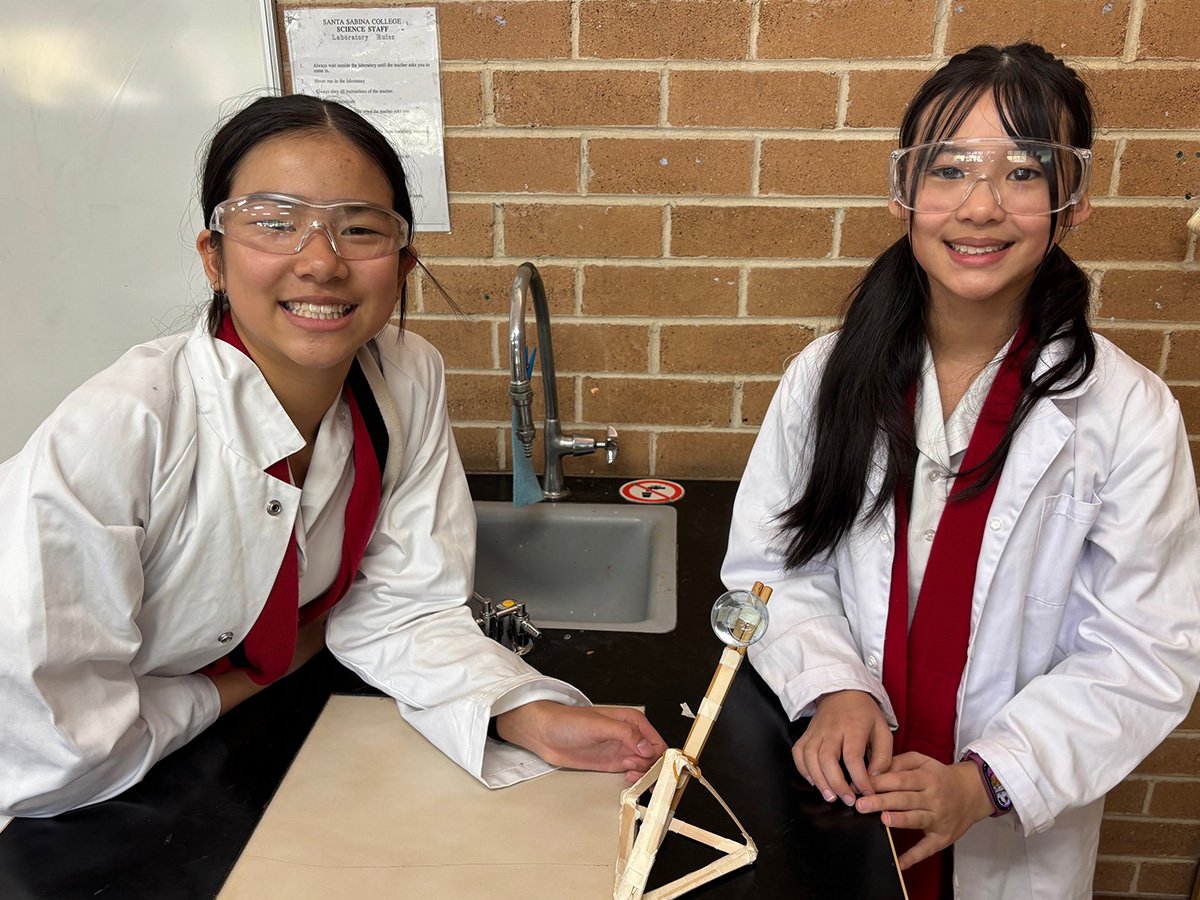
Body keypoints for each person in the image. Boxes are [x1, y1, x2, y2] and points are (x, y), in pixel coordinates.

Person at [0, 94, 665, 818]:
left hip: (222, 762)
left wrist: (516, 708)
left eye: (358, 228)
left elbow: (405, 608)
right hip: (78, 809)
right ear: (213, 258)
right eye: (275, 223)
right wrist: (241, 683)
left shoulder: (406, 378)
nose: (320, 261)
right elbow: (51, 751)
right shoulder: (118, 431)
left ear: (403, 264)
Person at [721, 43, 1200, 899]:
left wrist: (986, 781)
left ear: (1073, 201)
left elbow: (1144, 650)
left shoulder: (1127, 413)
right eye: (947, 170)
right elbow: (770, 569)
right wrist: (833, 686)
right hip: (847, 786)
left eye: (1023, 171)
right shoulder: (827, 377)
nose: (980, 208)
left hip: (1008, 841)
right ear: (904, 193)